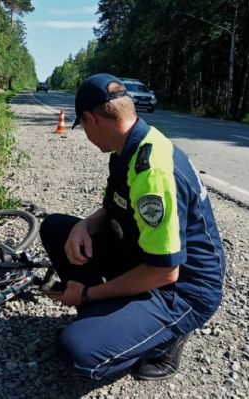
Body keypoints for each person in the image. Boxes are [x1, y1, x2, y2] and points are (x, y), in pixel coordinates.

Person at [40, 73, 226, 381]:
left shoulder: (152, 171)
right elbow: (117, 206)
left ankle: (164, 338)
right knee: (57, 228)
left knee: (76, 352)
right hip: (144, 255)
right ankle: (116, 318)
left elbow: (165, 272)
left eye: (83, 126)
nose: (85, 134)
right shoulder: (130, 145)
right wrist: (85, 225)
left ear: (90, 118)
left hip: (184, 288)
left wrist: (87, 294)